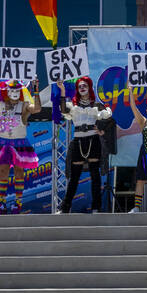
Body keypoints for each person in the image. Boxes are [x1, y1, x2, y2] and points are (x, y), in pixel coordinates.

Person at [0, 73, 41, 214]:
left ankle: (18, 202)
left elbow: (37, 109)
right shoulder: (1, 105)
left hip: (20, 143)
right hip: (3, 143)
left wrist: (36, 90)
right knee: (3, 172)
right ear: (6, 91)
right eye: (11, 90)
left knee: (19, 172)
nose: (14, 92)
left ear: (20, 91)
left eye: (16, 90)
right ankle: (1, 202)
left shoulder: (25, 105)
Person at [58, 76, 112, 214]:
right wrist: (62, 90)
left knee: (95, 175)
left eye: (84, 86)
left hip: (93, 140)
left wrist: (102, 130)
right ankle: (65, 207)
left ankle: (96, 207)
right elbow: (63, 110)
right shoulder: (73, 105)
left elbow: (109, 119)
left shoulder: (96, 105)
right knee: (74, 177)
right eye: (80, 86)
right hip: (78, 141)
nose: (82, 88)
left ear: (89, 88)